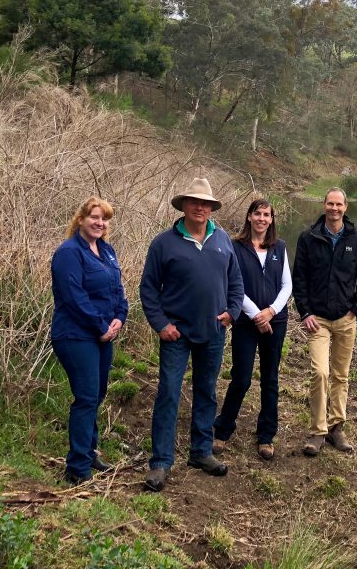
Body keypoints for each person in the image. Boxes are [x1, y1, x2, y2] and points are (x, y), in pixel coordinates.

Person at [140, 177, 244, 492]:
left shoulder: (223, 239)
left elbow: (235, 283)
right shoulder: (163, 243)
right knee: (169, 393)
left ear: (212, 208)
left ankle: (201, 452)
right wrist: (161, 324)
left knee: (207, 392)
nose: (200, 208)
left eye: (206, 204)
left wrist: (232, 312)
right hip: (176, 334)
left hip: (212, 332)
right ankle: (160, 462)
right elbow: (148, 289)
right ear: (184, 205)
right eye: (194, 202)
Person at [50, 197, 128, 485]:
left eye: (105, 219)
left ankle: (89, 451)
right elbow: (73, 296)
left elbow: (118, 291)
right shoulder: (69, 253)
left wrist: (120, 316)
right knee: (86, 396)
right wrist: (99, 326)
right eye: (94, 217)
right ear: (81, 219)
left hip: (104, 335)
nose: (100, 223)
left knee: (97, 393)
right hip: (75, 335)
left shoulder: (106, 251)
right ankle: (77, 467)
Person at [293, 187, 357, 457]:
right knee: (320, 373)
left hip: (345, 319)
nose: (334, 208)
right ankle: (317, 431)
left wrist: (355, 310)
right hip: (318, 321)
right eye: (330, 203)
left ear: (346, 207)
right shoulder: (308, 237)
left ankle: (336, 427)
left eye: (339, 204)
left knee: (341, 376)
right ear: (324, 205)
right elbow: (299, 279)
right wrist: (305, 312)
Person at [213, 199, 292, 461]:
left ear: (272, 219)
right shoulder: (236, 247)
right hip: (246, 323)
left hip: (275, 323)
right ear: (249, 217)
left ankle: (266, 435)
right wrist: (255, 314)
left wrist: (270, 312)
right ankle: (222, 430)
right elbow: (233, 284)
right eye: (257, 213)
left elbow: (286, 286)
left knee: (270, 379)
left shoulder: (279, 247)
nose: (261, 218)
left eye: (266, 214)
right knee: (242, 378)